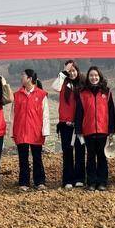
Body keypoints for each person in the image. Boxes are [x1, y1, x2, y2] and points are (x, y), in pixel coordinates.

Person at [74, 66, 115, 191]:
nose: (94, 78)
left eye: (96, 75)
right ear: (88, 77)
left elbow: (111, 112)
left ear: (100, 77)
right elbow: (79, 113)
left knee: (102, 157)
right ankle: (91, 182)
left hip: (103, 130)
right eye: (91, 75)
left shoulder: (106, 92)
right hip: (88, 130)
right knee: (91, 157)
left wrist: (111, 130)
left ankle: (102, 182)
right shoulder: (82, 93)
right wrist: (79, 130)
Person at [12, 69, 50, 191]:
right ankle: (24, 182)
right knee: (23, 158)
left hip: (36, 131)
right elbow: (13, 115)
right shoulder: (17, 95)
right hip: (21, 131)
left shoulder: (41, 94)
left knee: (37, 157)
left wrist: (45, 131)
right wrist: (12, 132)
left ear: (29, 78)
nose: (21, 77)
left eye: (23, 75)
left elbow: (45, 114)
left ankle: (39, 181)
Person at [51, 60, 85, 189]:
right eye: (69, 71)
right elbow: (55, 87)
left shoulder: (83, 84)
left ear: (77, 70)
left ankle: (80, 178)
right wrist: (63, 72)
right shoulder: (63, 84)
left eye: (73, 70)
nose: (72, 73)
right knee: (67, 152)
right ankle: (68, 180)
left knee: (80, 152)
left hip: (80, 124)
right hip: (65, 124)